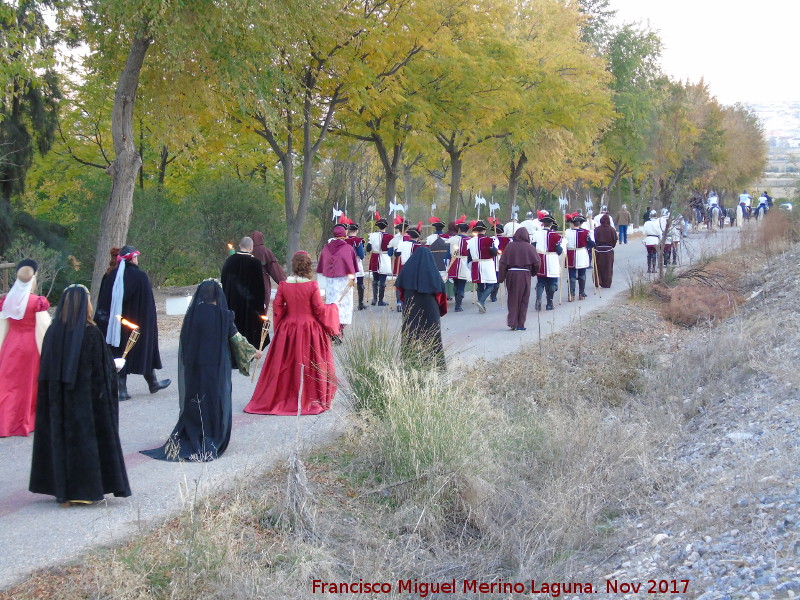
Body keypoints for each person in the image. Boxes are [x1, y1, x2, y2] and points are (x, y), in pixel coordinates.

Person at [30, 284, 131, 507]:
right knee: (86, 445)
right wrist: (114, 367)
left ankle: (63, 490)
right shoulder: (91, 333)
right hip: (86, 402)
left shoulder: (53, 332)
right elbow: (101, 372)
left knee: (62, 442)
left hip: (58, 403)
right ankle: (85, 490)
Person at [141, 280, 261, 462]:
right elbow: (236, 340)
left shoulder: (192, 315)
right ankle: (212, 434)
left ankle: (193, 430)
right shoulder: (224, 315)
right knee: (214, 400)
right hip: (215, 368)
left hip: (195, 367)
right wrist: (254, 352)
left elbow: (186, 343)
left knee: (196, 399)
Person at [244, 252, 339, 416]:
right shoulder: (312, 286)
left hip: (288, 329)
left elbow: (278, 307)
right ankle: (309, 396)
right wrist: (333, 308)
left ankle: (284, 395)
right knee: (310, 363)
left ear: (293, 265)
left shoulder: (284, 285)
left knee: (286, 363)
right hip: (309, 329)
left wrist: (282, 324)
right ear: (308, 266)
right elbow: (318, 309)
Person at [95, 245, 170, 401]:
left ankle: (124, 390)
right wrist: (149, 325)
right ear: (133, 258)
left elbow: (104, 301)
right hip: (136, 324)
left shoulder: (111, 276)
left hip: (117, 324)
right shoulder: (140, 276)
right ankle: (152, 383)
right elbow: (147, 305)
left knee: (120, 352)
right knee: (144, 349)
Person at [0, 260, 50, 437]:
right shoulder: (37, 302)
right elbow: (44, 327)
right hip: (30, 346)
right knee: (28, 385)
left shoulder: (7, 300)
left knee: (7, 384)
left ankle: (4, 422)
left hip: (10, 344)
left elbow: (3, 324)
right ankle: (24, 421)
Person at [395, 246, 447, 370]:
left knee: (411, 334)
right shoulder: (432, 272)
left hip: (411, 308)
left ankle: (409, 363)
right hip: (430, 311)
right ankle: (437, 364)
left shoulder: (407, 270)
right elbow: (441, 295)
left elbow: (400, 290)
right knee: (432, 336)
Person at [221, 236, 267, 348]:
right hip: (250, 308)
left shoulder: (229, 262)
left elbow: (223, 283)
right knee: (249, 336)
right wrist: (261, 307)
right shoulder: (255, 263)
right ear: (251, 248)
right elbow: (260, 288)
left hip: (232, 305)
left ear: (240, 246)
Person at [317, 225, 359, 335]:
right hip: (344, 282)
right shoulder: (347, 248)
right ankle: (339, 329)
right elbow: (352, 266)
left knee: (332, 304)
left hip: (330, 282)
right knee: (343, 305)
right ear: (344, 235)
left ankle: (333, 328)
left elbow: (322, 266)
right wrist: (353, 279)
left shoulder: (326, 248)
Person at [498, 227, 540, 331]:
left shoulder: (509, 246)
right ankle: (521, 324)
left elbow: (503, 263)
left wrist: (501, 277)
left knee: (512, 298)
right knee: (524, 299)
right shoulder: (530, 248)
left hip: (511, 274)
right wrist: (533, 273)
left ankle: (512, 322)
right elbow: (537, 263)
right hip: (525, 275)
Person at [250, 230, 286, 314]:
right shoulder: (265, 251)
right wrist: (286, 283)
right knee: (262, 312)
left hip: (248, 285)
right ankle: (262, 327)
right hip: (262, 284)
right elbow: (275, 270)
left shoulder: (247, 251)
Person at [467, 220, 498, 313]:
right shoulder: (491, 240)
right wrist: (495, 244)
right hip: (487, 263)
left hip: (476, 264)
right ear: (484, 230)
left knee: (480, 285)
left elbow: (469, 255)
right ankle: (481, 301)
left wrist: (470, 266)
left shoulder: (470, 241)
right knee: (491, 285)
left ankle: (481, 306)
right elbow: (494, 253)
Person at [532, 216, 562, 310]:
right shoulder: (556, 236)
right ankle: (549, 303)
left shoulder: (536, 234)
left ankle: (539, 299)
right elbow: (559, 251)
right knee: (552, 282)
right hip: (552, 260)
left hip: (540, 259)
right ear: (552, 224)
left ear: (543, 224)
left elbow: (533, 247)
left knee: (540, 281)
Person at [564, 213, 594, 301]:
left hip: (571, 254)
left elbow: (564, 244)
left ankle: (571, 295)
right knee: (582, 274)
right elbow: (592, 244)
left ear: (572, 223)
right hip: (582, 254)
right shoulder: (586, 232)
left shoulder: (566, 232)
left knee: (571, 275)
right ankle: (581, 293)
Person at [366, 217, 392, 306]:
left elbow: (368, 248)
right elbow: (391, 250)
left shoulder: (372, 236)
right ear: (386, 227)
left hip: (375, 257)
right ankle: (380, 300)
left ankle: (374, 299)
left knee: (375, 279)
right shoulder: (390, 237)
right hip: (384, 258)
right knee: (382, 280)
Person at [447, 220, 471, 312]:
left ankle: (458, 303)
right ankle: (458, 305)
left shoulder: (453, 239)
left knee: (456, 283)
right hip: (464, 262)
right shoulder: (470, 240)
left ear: (459, 229)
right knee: (461, 284)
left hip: (454, 262)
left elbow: (448, 253)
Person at [344, 223, 367, 310]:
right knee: (360, 283)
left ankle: (346, 302)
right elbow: (361, 255)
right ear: (357, 231)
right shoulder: (358, 241)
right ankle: (360, 304)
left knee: (347, 283)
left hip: (346, 263)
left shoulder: (344, 240)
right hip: (356, 263)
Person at [593, 213, 617, 288]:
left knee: (598, 266)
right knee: (608, 267)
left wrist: (597, 245)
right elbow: (615, 240)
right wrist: (611, 246)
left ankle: (598, 281)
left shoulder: (597, 229)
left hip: (598, 250)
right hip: (608, 250)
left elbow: (594, 239)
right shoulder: (611, 229)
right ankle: (606, 283)